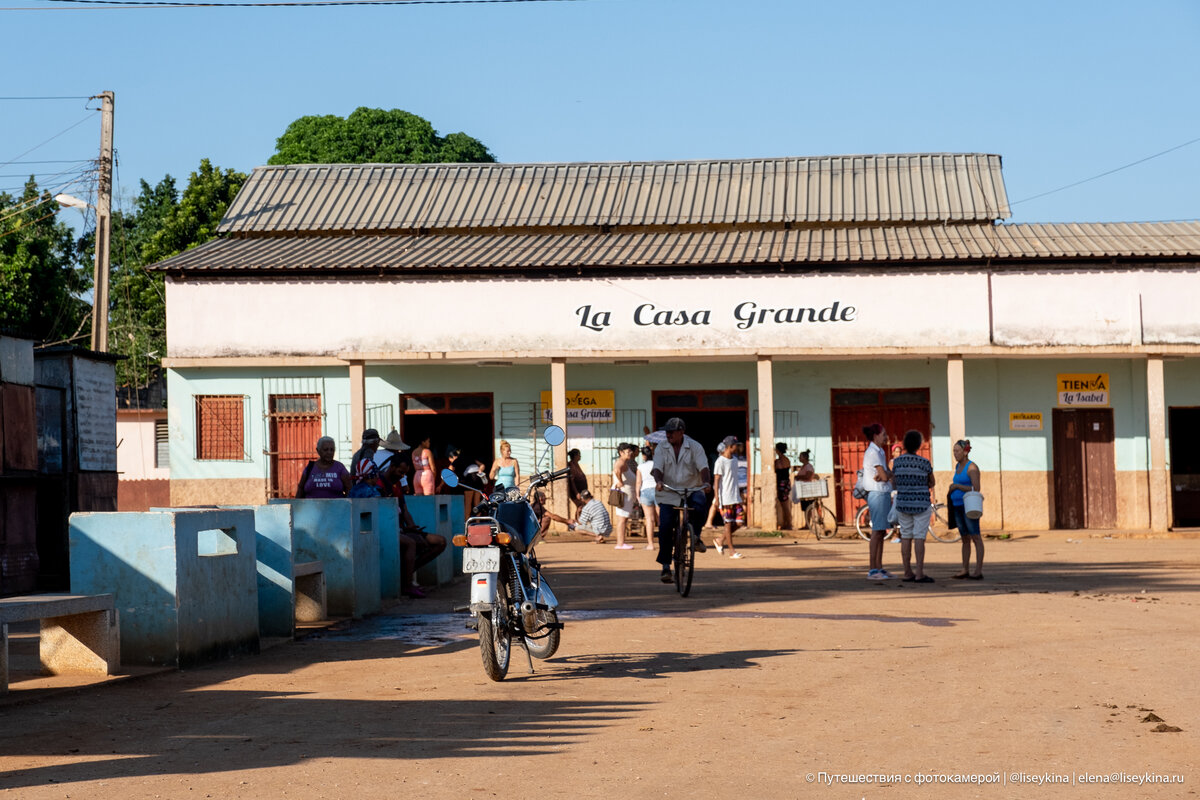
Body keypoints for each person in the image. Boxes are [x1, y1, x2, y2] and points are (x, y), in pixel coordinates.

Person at [651, 417, 713, 583]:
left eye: (671, 432)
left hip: (691, 488)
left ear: (681, 432)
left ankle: (696, 536)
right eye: (667, 432)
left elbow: (704, 467)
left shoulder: (695, 447)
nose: (668, 435)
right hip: (669, 490)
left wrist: (706, 482)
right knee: (665, 526)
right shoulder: (661, 448)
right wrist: (658, 481)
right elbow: (657, 468)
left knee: (700, 505)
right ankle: (665, 566)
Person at [891, 430, 936, 583]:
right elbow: (932, 482)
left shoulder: (897, 462)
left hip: (903, 503)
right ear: (918, 445)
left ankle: (907, 572)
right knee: (919, 537)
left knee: (905, 536)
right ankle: (919, 573)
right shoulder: (924, 463)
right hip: (921, 504)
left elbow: (893, 483)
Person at [862, 422, 897, 581]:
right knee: (877, 531)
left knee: (882, 530)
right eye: (883, 434)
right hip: (877, 493)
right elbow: (885, 475)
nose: (885, 437)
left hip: (882, 492)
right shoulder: (873, 452)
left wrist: (885, 475)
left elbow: (885, 474)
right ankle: (872, 568)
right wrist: (885, 475)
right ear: (876, 435)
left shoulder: (880, 451)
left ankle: (879, 567)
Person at [949, 439, 985, 579]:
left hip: (969, 506)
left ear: (965, 452)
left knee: (975, 536)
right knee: (964, 538)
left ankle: (978, 570)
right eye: (954, 451)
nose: (955, 454)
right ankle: (965, 568)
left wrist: (957, 487)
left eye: (957, 451)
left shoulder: (972, 468)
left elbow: (976, 488)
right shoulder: (958, 466)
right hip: (957, 505)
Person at [711, 435, 744, 559]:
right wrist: (717, 498)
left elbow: (734, 479)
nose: (737, 447)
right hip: (725, 498)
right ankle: (732, 551)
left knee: (740, 522)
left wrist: (739, 494)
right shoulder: (720, 462)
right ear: (730, 446)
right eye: (735, 445)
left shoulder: (734, 460)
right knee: (728, 524)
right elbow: (716, 480)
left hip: (735, 496)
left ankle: (720, 539)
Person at [610, 442, 638, 549]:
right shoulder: (620, 462)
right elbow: (617, 470)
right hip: (624, 494)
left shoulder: (624, 462)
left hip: (627, 494)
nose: (630, 453)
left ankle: (622, 542)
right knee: (622, 519)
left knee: (624, 518)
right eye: (628, 451)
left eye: (630, 451)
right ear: (621, 452)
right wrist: (620, 481)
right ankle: (620, 543)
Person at [635, 445, 659, 550]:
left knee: (650, 519)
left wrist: (637, 495)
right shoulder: (657, 464)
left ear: (643, 455)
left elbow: (638, 482)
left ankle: (650, 544)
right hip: (658, 491)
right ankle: (664, 543)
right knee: (661, 518)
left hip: (645, 491)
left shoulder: (640, 467)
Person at [702, 441, 727, 530]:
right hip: (719, 486)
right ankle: (709, 522)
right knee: (715, 503)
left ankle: (710, 522)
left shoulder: (722, 459)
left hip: (722, 486)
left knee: (715, 503)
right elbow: (716, 477)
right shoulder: (719, 460)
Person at [566, 448, 589, 522]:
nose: (580, 456)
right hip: (576, 491)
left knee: (582, 506)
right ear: (575, 456)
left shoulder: (576, 464)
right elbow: (572, 481)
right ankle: (577, 522)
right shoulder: (571, 465)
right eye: (579, 455)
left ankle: (578, 522)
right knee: (580, 506)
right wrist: (576, 493)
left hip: (581, 490)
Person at [774, 442, 792, 530]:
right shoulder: (787, 459)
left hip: (781, 483)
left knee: (784, 505)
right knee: (785, 504)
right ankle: (786, 523)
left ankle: (789, 524)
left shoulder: (778, 461)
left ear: (778, 450)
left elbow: (776, 469)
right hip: (787, 483)